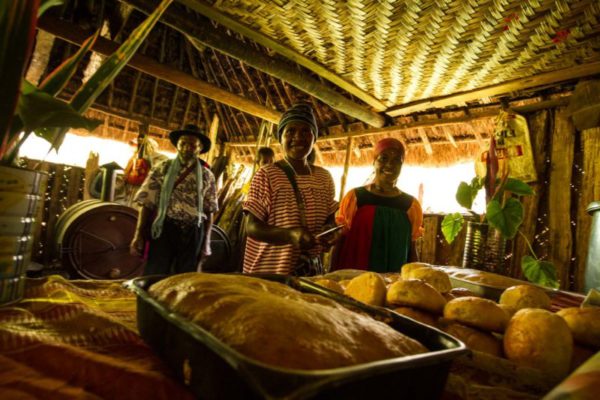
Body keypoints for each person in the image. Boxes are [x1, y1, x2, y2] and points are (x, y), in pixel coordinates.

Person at [243, 104, 338, 276]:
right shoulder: (267, 174)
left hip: (309, 273)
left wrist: (330, 233)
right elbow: (251, 227)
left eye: (305, 131)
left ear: (314, 138)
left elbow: (330, 220)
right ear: (281, 138)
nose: (298, 137)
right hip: (270, 272)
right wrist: (289, 235)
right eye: (290, 131)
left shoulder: (325, 178)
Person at [130, 124, 218, 275]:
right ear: (177, 144)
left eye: (192, 145)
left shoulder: (207, 175)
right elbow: (147, 203)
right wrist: (138, 235)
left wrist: (206, 242)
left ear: (200, 148)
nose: (186, 148)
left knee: (186, 277)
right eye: (183, 143)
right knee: (156, 274)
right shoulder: (162, 168)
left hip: (193, 231)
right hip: (164, 229)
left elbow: (209, 210)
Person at [333, 138, 423, 272]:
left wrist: (415, 276)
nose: (389, 165)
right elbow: (341, 239)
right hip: (354, 275)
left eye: (396, 160)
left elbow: (411, 248)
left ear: (402, 165)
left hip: (393, 279)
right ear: (374, 162)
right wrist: (332, 271)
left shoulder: (410, 205)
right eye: (383, 158)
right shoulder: (356, 197)